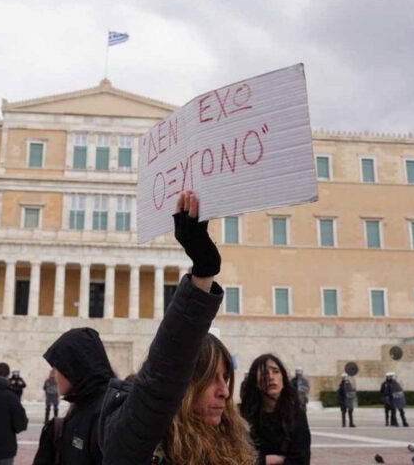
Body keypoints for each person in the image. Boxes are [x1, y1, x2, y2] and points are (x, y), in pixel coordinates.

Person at [97, 192, 255, 465]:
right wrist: (202, 275)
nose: (225, 392)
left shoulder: (234, 447)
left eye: (225, 377)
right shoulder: (138, 446)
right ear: (183, 383)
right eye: (210, 378)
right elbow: (163, 376)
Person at [33, 326, 115, 464]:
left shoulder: (105, 415)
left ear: (73, 367)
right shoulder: (82, 407)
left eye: (56, 368)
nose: (52, 375)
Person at [241, 354, 311, 463]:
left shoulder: (296, 414)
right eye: (264, 373)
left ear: (283, 377)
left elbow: (301, 459)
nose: (271, 377)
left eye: (276, 371)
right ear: (255, 382)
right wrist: (266, 460)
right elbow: (238, 457)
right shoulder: (243, 416)